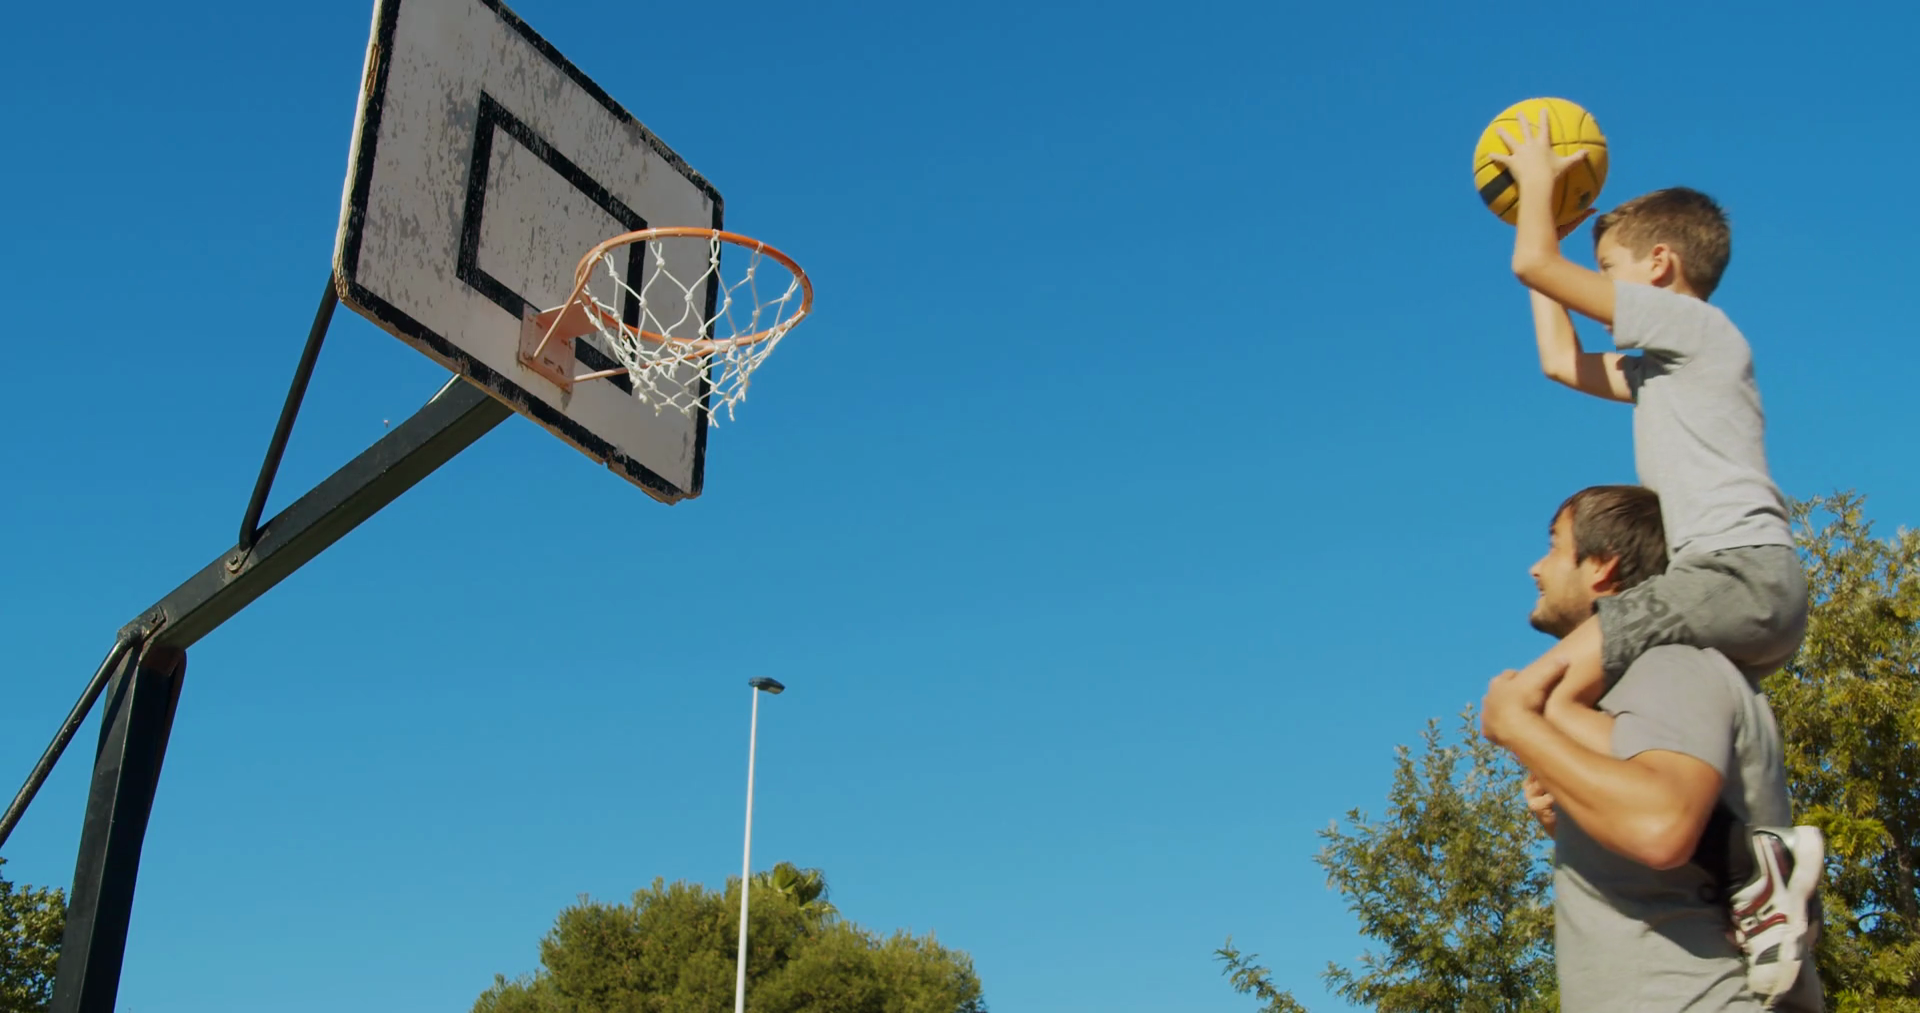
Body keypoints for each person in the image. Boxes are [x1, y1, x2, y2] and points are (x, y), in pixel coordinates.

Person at [1486, 110, 1821, 990]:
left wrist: (1537, 200)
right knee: (1573, 706)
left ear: (1661, 268)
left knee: (1532, 690)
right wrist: (1553, 242)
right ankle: (1748, 861)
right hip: (1743, 586)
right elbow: (1560, 359)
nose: (1601, 286)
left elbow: (1532, 263)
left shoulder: (1699, 330)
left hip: (1734, 573)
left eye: (1609, 270)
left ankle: (1753, 859)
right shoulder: (1665, 367)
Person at [1484, 485, 1823, 1010]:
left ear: (1601, 566)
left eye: (1553, 547)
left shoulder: (1668, 666)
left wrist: (1517, 724)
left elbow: (1660, 828)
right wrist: (1571, 812)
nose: (1536, 567)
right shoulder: (1624, 694)